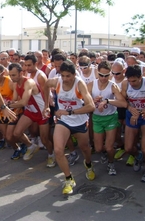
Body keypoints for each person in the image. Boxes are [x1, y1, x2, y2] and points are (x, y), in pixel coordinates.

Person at [43, 60, 95, 195]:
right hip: (64, 121)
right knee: (58, 150)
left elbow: (91, 106)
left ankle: (88, 165)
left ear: (74, 74)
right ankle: (68, 178)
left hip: (79, 121)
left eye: (68, 76)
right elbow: (46, 85)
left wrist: (70, 112)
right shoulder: (56, 81)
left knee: (85, 148)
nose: (65, 79)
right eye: (63, 75)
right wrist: (47, 105)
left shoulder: (80, 84)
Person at [87, 61, 127, 176]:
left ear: (110, 74)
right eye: (101, 75)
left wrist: (108, 101)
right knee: (98, 148)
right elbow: (83, 101)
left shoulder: (112, 85)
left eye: (106, 75)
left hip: (110, 118)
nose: (103, 78)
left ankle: (111, 163)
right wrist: (92, 101)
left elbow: (123, 103)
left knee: (109, 147)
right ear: (97, 73)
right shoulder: (91, 84)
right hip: (97, 118)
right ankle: (105, 154)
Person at [121, 64, 145, 183]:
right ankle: (139, 156)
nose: (132, 83)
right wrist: (130, 108)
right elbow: (122, 100)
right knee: (128, 147)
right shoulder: (125, 84)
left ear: (140, 77)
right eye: (130, 81)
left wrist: (142, 111)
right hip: (132, 114)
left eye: (134, 81)